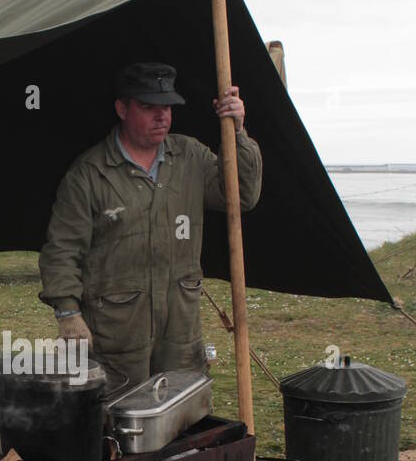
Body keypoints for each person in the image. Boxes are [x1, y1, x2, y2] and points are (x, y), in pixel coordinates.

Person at [39, 62, 262, 387]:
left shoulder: (189, 157)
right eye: (148, 107)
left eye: (167, 108)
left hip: (180, 331)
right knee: (115, 421)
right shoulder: (89, 174)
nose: (162, 117)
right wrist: (67, 312)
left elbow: (241, 195)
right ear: (122, 109)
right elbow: (62, 248)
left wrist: (238, 132)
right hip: (117, 335)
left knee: (181, 417)